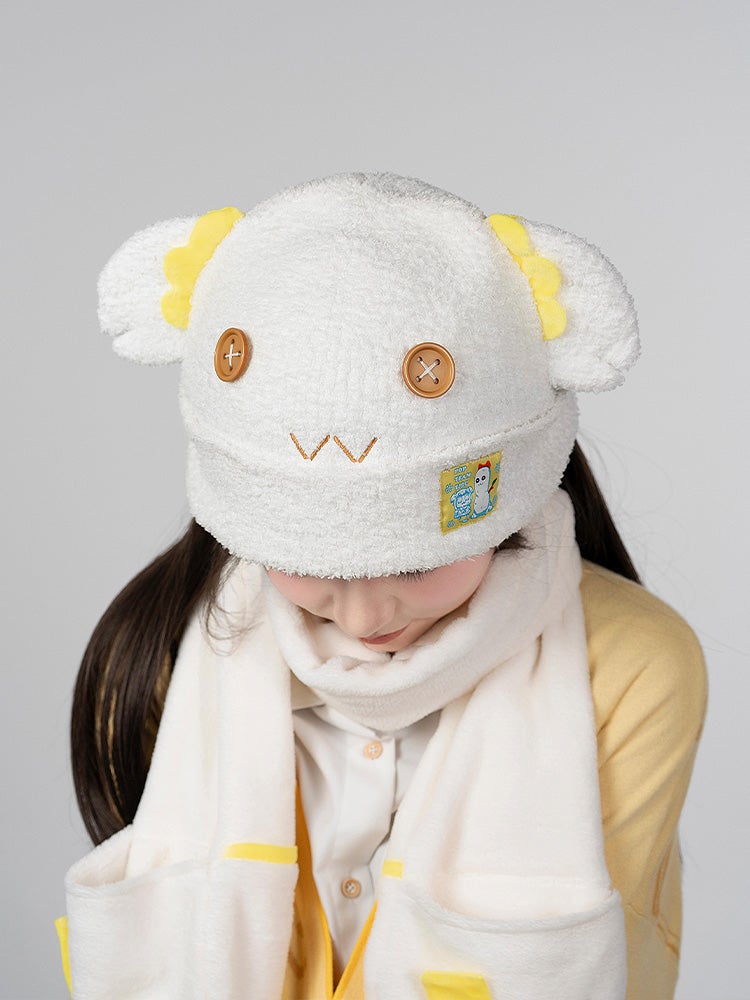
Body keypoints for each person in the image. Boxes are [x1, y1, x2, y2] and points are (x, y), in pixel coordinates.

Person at [57, 173, 706, 1000]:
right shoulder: (159, 651)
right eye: (312, 564)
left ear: (500, 502)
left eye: (416, 564)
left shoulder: (633, 664)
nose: (365, 616)